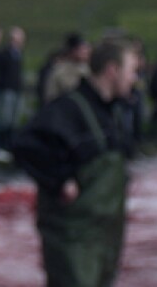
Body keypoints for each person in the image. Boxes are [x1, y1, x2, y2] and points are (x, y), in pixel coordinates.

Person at [13, 38, 140, 287]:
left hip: (106, 235)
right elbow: (25, 145)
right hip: (72, 237)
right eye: (132, 71)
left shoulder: (113, 112)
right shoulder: (68, 109)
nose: (135, 78)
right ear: (112, 70)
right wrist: (59, 180)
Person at [0, 25, 26, 151]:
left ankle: (10, 145)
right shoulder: (4, 54)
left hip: (16, 89)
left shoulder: (19, 54)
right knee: (5, 119)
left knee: (14, 120)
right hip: (7, 89)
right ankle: (1, 145)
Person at [42, 32, 91, 105]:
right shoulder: (62, 70)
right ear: (73, 51)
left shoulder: (86, 67)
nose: (87, 51)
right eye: (83, 49)